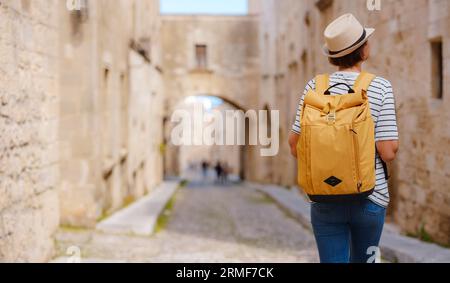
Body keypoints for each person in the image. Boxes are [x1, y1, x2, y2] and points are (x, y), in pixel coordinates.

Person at [288, 14, 399, 263]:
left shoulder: (313, 88)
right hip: (371, 197)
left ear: (332, 54)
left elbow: (295, 145)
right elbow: (388, 151)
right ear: (364, 50)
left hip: (324, 198)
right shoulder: (380, 87)